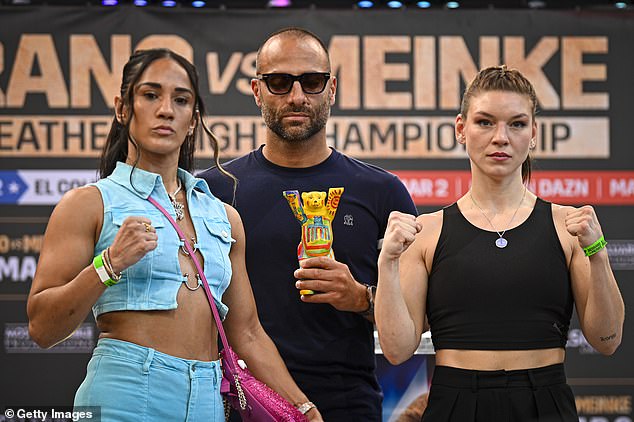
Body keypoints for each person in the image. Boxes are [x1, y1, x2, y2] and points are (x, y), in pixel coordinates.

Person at [26, 48, 322, 422]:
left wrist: (303, 407)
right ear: (122, 108)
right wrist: (108, 264)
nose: (166, 110)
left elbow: (246, 333)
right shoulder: (89, 204)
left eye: (180, 100)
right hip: (125, 393)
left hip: (208, 399)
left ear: (193, 118)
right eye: (150, 95)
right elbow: (41, 328)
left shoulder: (224, 216)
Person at [375, 65, 625, 421]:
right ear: (461, 129)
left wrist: (597, 253)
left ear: (533, 133)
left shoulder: (568, 227)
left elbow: (608, 340)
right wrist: (388, 263)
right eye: (485, 122)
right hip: (455, 403)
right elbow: (398, 350)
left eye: (517, 124)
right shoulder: (427, 232)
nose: (501, 137)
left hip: (545, 402)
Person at [199, 27, 417, 421]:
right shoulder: (212, 190)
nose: (297, 97)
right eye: (280, 82)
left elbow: (416, 321)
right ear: (256, 90)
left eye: (312, 82)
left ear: (331, 89)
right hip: (240, 404)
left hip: (348, 405)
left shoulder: (382, 193)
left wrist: (361, 297)